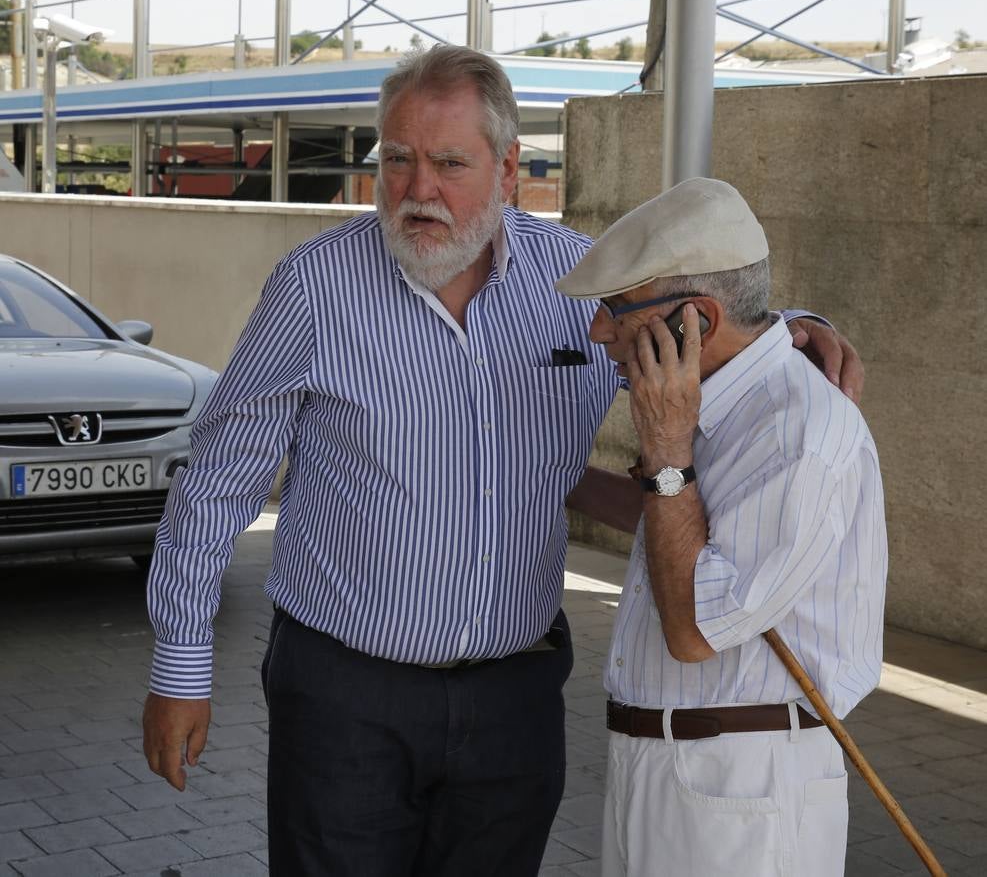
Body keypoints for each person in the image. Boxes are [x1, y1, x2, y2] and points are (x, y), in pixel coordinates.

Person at [141, 46, 863, 877]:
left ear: (510, 168)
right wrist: (180, 667)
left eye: (450, 164)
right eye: (400, 160)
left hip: (514, 701)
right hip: (343, 700)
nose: (418, 192)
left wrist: (792, 330)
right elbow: (216, 486)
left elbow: (707, 317)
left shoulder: (577, 283)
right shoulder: (315, 288)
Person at [556, 177, 887, 877]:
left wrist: (668, 451)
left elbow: (694, 630)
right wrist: (559, 480)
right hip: (668, 767)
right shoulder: (718, 394)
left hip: (740, 787)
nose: (597, 331)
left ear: (696, 322)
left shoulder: (798, 431)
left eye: (615, 309)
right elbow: (674, 527)